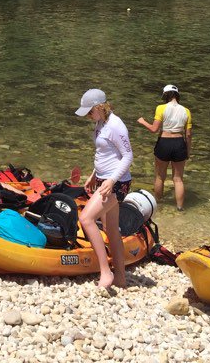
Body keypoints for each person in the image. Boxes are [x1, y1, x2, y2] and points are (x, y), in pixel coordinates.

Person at [76, 88, 133, 289]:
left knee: (86, 219)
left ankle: (105, 271)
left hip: (116, 183)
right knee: (110, 229)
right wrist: (94, 175)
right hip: (104, 181)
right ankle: (121, 277)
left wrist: (110, 180)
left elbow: (127, 156)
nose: (89, 116)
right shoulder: (101, 123)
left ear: (100, 107)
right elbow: (106, 154)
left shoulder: (116, 126)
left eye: (90, 111)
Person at [137, 85, 192, 211]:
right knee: (178, 179)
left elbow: (154, 129)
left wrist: (142, 121)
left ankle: (158, 203)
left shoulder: (161, 108)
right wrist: (187, 151)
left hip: (164, 142)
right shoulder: (186, 111)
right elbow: (188, 135)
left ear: (165, 95)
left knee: (160, 176)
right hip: (179, 143)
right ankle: (179, 207)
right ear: (177, 95)